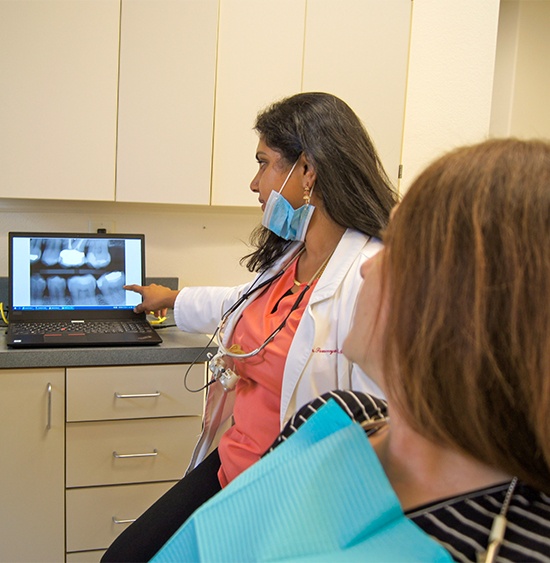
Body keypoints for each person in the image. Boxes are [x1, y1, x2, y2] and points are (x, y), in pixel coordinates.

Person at [150, 138, 550, 562]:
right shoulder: (336, 416)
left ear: (472, 308)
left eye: (400, 248)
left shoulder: (516, 544)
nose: (369, 264)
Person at [102, 92, 397, 561]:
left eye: (265, 163)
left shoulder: (370, 277)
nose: (255, 183)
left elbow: (381, 425)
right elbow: (241, 302)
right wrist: (173, 299)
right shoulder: (292, 257)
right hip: (233, 463)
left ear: (308, 171)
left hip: (291, 496)